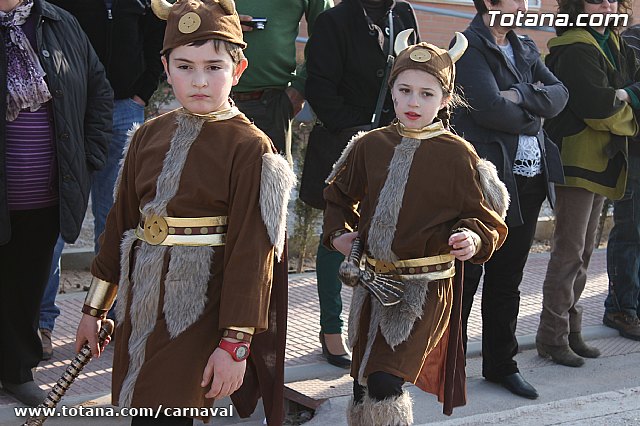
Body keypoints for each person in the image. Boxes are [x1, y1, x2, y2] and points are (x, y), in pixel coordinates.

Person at [74, 0, 296, 424]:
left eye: (214, 67)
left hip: (201, 312)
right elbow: (119, 227)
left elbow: (254, 256)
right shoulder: (147, 136)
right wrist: (95, 309)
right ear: (165, 66)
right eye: (184, 66)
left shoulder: (251, 149)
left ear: (239, 68)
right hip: (140, 311)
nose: (199, 81)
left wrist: (235, 344)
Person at [323, 31, 509, 425]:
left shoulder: (458, 155)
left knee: (386, 382)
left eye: (427, 94)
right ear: (391, 90)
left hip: (423, 292)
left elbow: (487, 218)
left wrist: (472, 237)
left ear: (445, 99)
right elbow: (337, 196)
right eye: (405, 90)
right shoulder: (369, 145)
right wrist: (339, 233)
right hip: (371, 288)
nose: (413, 102)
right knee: (361, 381)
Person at [451, 0, 569, 399]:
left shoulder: (525, 46)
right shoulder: (465, 46)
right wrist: (533, 107)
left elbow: (560, 94)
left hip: (530, 181)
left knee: (508, 279)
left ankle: (501, 365)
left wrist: (519, 95)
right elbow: (486, 108)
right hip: (486, 182)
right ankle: (448, 365)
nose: (524, 5)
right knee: (467, 277)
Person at [38, 0, 166, 360]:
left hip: (125, 107)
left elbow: (158, 39)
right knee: (54, 221)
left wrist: (142, 90)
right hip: (68, 110)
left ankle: (113, 317)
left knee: (118, 219)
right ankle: (41, 323)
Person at [0, 0, 112, 407]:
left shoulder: (60, 22)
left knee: (27, 283)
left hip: (46, 193)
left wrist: (89, 158)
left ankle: (16, 371)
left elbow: (99, 91)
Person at [302, 0, 420, 368]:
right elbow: (319, 88)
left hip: (394, 144)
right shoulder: (332, 21)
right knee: (336, 238)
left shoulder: (402, 12)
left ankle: (377, 326)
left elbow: (414, 72)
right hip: (343, 144)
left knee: (386, 236)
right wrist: (361, 132)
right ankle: (331, 330)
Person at [537, 0, 639, 365]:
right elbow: (599, 107)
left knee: (583, 253)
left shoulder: (614, 39)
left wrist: (626, 95)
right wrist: (629, 104)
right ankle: (552, 336)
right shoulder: (576, 45)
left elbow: (624, 93)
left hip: (601, 162)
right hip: (577, 161)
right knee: (568, 252)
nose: (608, 4)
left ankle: (571, 330)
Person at [234, 0, 332, 163]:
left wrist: (299, 89)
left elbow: (328, 35)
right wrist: (210, 19)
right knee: (202, 183)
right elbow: (175, 10)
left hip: (271, 105)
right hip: (206, 98)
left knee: (267, 183)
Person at [603, 24, 640, 341]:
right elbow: (617, 90)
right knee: (630, 231)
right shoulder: (631, 39)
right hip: (633, 154)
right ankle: (620, 308)